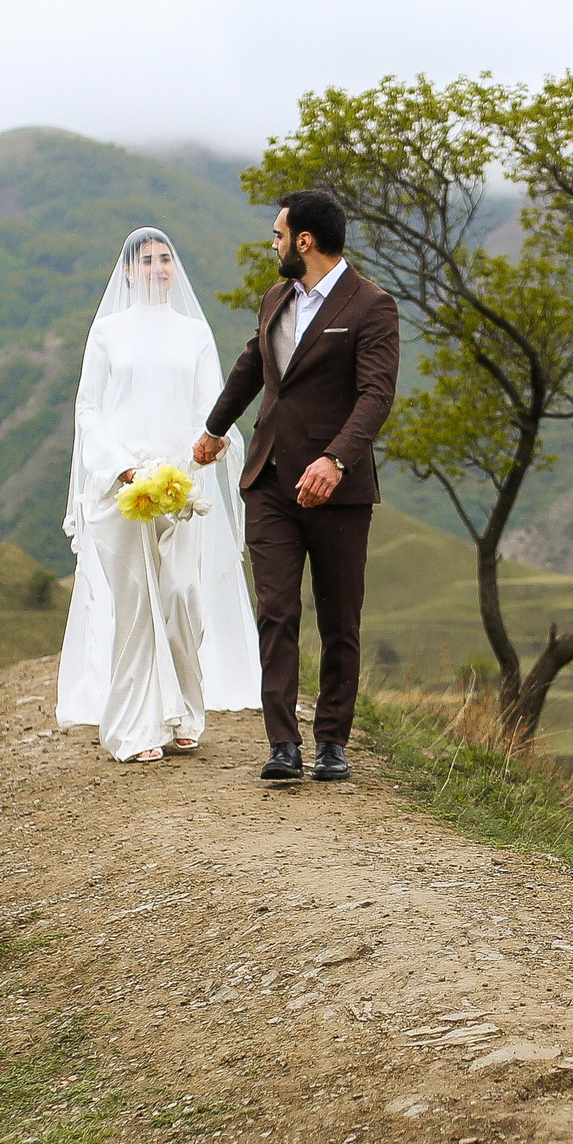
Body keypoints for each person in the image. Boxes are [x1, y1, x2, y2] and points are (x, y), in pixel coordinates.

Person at [196, 187, 399, 782]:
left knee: (340, 619)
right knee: (276, 612)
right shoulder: (275, 297)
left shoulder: (372, 306)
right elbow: (252, 366)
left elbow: (375, 396)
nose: (273, 243)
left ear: (304, 241)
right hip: (271, 482)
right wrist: (214, 428)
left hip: (339, 490)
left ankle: (331, 743)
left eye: (279, 234)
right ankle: (282, 744)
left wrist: (335, 460)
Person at [57, 228, 261, 762]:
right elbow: (88, 410)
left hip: (180, 484)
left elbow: (209, 407)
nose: (158, 268)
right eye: (147, 261)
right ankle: (136, 728)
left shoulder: (193, 333)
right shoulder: (107, 333)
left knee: (180, 596)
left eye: (166, 259)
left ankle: (187, 712)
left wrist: (196, 458)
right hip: (124, 488)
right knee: (136, 604)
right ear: (128, 271)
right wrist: (121, 466)